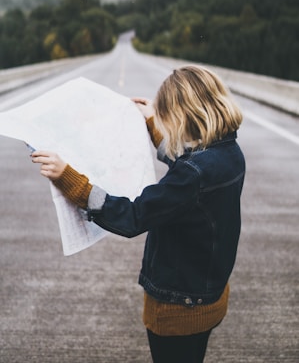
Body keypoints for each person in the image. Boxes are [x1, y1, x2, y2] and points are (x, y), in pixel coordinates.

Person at [32, 65, 245, 363]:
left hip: (177, 310)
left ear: (185, 115)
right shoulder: (229, 153)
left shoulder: (193, 176)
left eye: (169, 119)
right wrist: (154, 127)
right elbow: (189, 178)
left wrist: (70, 178)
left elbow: (133, 216)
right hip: (210, 297)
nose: (168, 125)